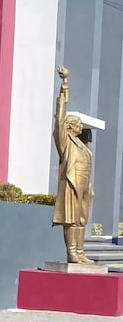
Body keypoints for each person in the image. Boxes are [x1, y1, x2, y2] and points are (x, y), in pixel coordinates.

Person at [51, 66, 94, 264]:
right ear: (69, 126)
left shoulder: (83, 147)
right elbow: (59, 117)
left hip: (84, 185)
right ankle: (71, 252)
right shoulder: (64, 140)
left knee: (81, 219)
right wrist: (64, 84)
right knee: (70, 218)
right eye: (77, 123)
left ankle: (80, 251)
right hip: (71, 183)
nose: (80, 126)